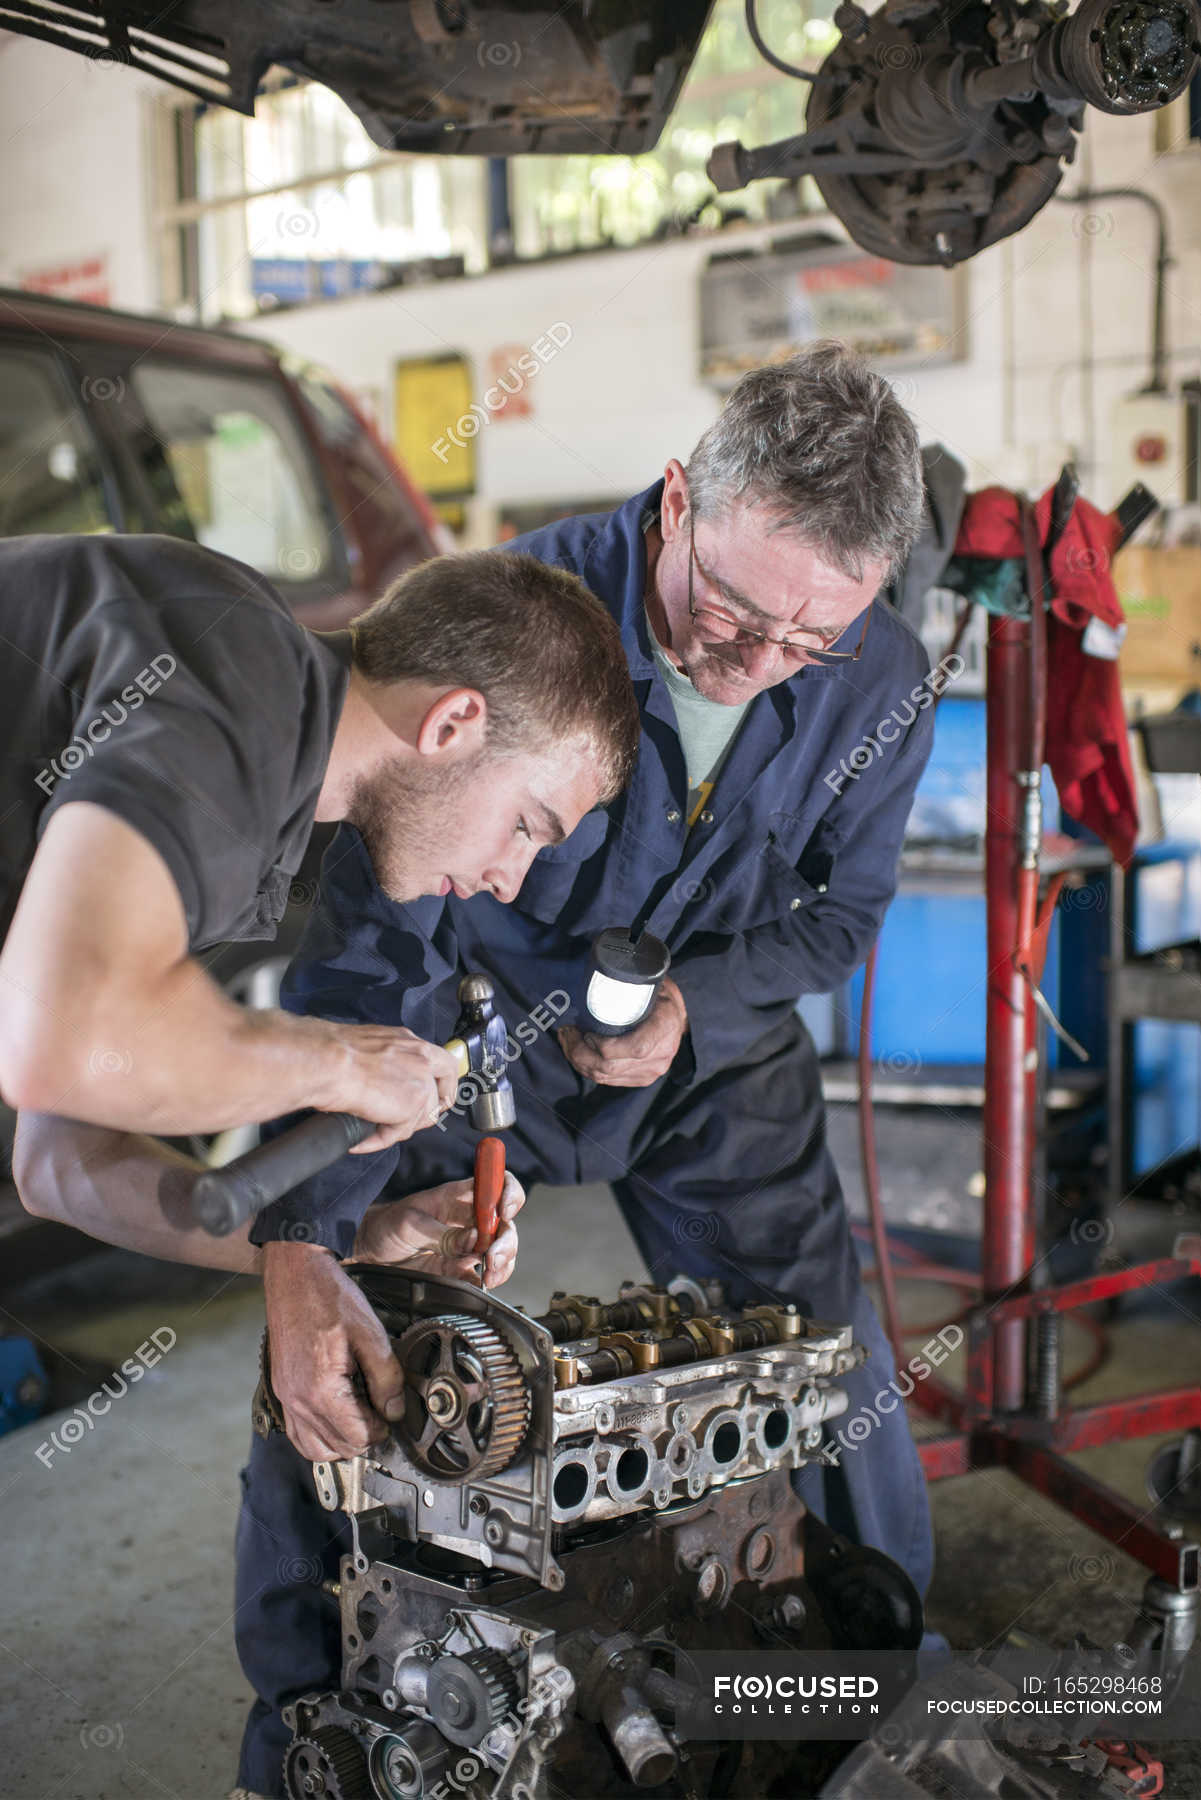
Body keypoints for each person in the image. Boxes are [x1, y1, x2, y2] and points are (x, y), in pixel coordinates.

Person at [220, 341, 944, 1799]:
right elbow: (375, 956)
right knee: (349, 1361)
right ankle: (305, 1731)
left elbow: (843, 917)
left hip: (705, 1053)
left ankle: (865, 1690)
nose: (758, 660)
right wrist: (301, 1232)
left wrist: (699, 1000)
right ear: (677, 500)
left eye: (810, 639)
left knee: (822, 1359)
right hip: (464, 1035)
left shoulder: (881, 680)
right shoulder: (511, 619)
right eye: (732, 610)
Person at [0, 534, 637, 1157]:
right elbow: (61, 1044)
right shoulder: (243, 681)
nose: (509, 882)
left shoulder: (264, 756)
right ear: (449, 725)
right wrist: (341, 1065)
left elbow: (59, 1160)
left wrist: (354, 1240)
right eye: (527, 825)